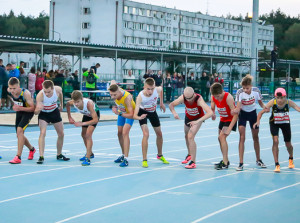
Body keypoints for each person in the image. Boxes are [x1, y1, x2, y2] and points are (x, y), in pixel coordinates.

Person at [254, 88, 300, 172]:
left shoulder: (288, 102)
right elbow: (261, 112)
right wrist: (257, 121)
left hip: (285, 123)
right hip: (274, 123)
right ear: (275, 97)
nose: (280, 100)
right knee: (275, 141)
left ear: (285, 97)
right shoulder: (272, 102)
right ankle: (277, 164)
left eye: (282, 98)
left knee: (288, 144)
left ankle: (291, 158)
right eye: (278, 98)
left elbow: (298, 108)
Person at [169, 87, 213, 169]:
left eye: (190, 98)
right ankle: (189, 155)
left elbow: (210, 112)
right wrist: (174, 113)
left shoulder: (199, 99)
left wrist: (198, 121)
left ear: (194, 94)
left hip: (198, 118)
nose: (188, 100)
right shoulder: (182, 98)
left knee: (190, 136)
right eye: (187, 98)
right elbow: (171, 105)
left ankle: (193, 162)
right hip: (188, 117)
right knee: (186, 136)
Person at [232, 74, 266, 171]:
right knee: (242, 137)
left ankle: (258, 159)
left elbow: (260, 103)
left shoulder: (256, 91)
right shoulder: (239, 92)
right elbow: (238, 107)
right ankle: (241, 162)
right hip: (243, 114)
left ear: (251, 86)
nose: (245, 90)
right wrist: (235, 111)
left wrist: (265, 108)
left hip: (252, 115)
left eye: (247, 88)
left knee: (255, 137)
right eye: (243, 88)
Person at [133, 78, 169, 168]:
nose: (151, 91)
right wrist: (139, 117)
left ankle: (160, 155)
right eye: (148, 89)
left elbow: (161, 90)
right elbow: (134, 115)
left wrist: (161, 103)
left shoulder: (157, 90)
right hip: (143, 113)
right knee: (146, 134)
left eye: (152, 88)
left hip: (153, 112)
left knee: (159, 134)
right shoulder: (140, 97)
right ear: (144, 87)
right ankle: (144, 159)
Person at [34, 80, 69, 164]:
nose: (46, 94)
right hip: (44, 114)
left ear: (53, 89)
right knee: (42, 133)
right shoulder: (40, 96)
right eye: (45, 91)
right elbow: (35, 113)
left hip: (54, 112)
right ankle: (41, 156)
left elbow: (61, 94)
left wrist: (61, 104)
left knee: (61, 134)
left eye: (49, 92)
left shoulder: (58, 89)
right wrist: (38, 109)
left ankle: (59, 154)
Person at [7, 77, 36, 164]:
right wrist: (13, 105)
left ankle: (18, 157)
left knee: (20, 130)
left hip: (28, 112)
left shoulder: (25, 93)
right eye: (10, 88)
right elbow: (10, 97)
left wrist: (19, 107)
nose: (12, 91)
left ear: (19, 86)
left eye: (14, 88)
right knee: (19, 134)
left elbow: (32, 108)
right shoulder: (9, 90)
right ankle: (32, 149)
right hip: (20, 112)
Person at [66, 90, 100, 166]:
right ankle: (90, 153)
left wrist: (82, 123)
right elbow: (67, 104)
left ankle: (87, 158)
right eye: (75, 102)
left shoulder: (88, 104)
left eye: (78, 102)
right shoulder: (72, 102)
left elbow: (95, 120)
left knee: (88, 135)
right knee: (83, 134)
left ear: (82, 99)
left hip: (94, 115)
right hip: (86, 115)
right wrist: (69, 117)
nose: (76, 104)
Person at [210, 83, 238, 170]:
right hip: (222, 118)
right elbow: (212, 104)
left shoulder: (228, 97)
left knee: (222, 137)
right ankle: (225, 159)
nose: (217, 98)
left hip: (230, 119)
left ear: (222, 91)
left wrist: (230, 128)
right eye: (216, 97)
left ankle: (225, 163)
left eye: (218, 96)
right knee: (219, 138)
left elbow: (236, 114)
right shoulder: (213, 96)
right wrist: (213, 112)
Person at [109, 81, 135, 167]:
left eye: (114, 95)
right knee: (119, 133)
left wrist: (118, 113)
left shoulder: (127, 98)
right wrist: (113, 83)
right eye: (111, 95)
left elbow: (131, 114)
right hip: (121, 111)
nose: (112, 97)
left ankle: (126, 159)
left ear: (119, 92)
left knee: (125, 132)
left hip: (129, 113)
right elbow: (112, 82)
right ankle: (123, 154)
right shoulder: (114, 89)